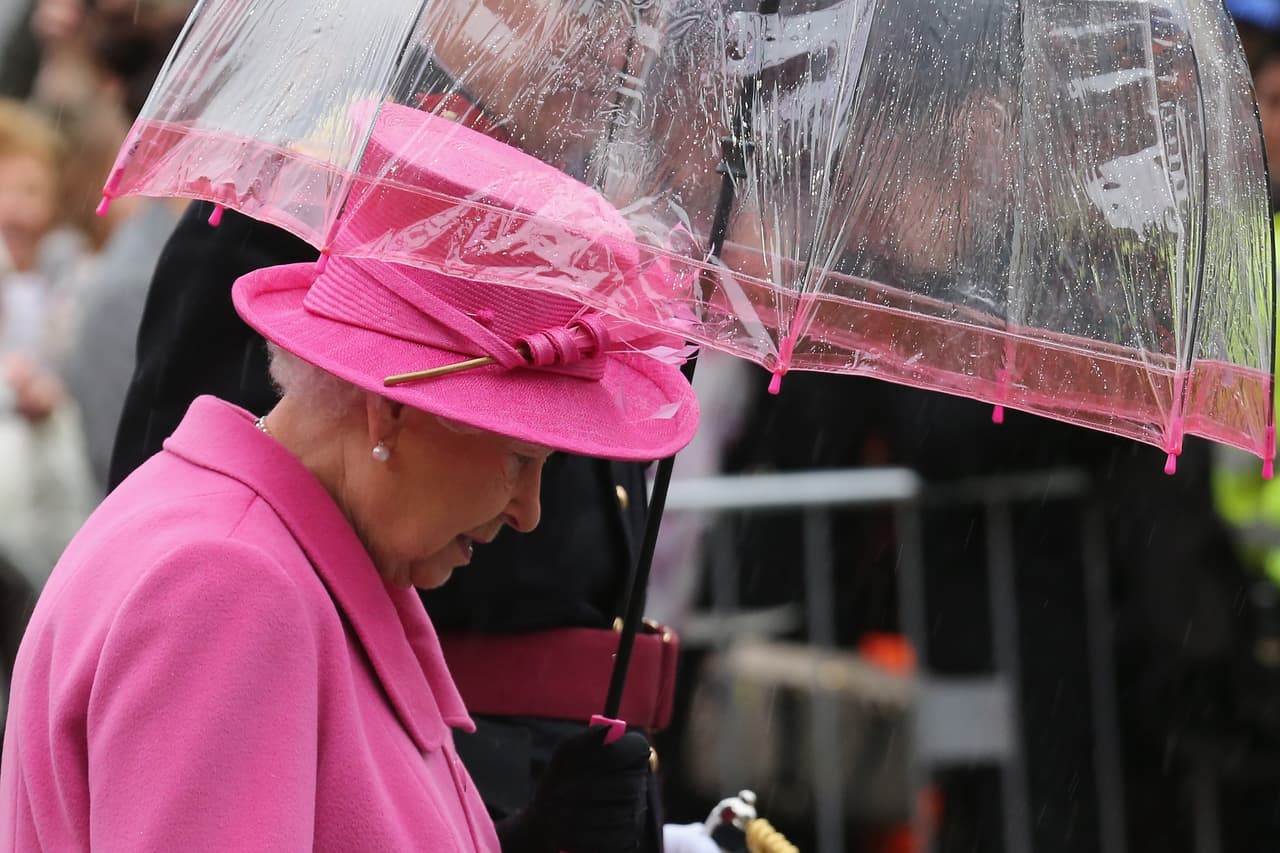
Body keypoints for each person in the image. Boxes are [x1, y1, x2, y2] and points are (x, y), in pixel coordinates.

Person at [1, 176, 702, 849]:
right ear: (392, 409)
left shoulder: (272, 550)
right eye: (520, 458)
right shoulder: (226, 585)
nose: (529, 511)